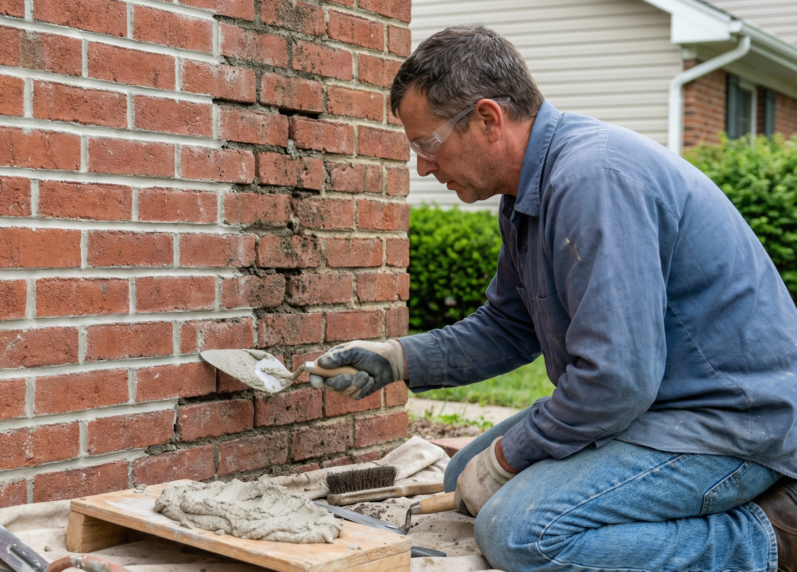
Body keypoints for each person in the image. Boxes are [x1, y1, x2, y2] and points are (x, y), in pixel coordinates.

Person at [311, 24, 797, 572]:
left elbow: (616, 380)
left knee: (519, 533)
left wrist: (508, 457)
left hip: (731, 424)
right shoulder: (526, 196)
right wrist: (396, 358)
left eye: (427, 144)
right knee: (461, 478)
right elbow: (508, 327)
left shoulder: (594, 180)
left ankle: (764, 537)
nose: (422, 165)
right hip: (654, 409)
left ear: (487, 119)